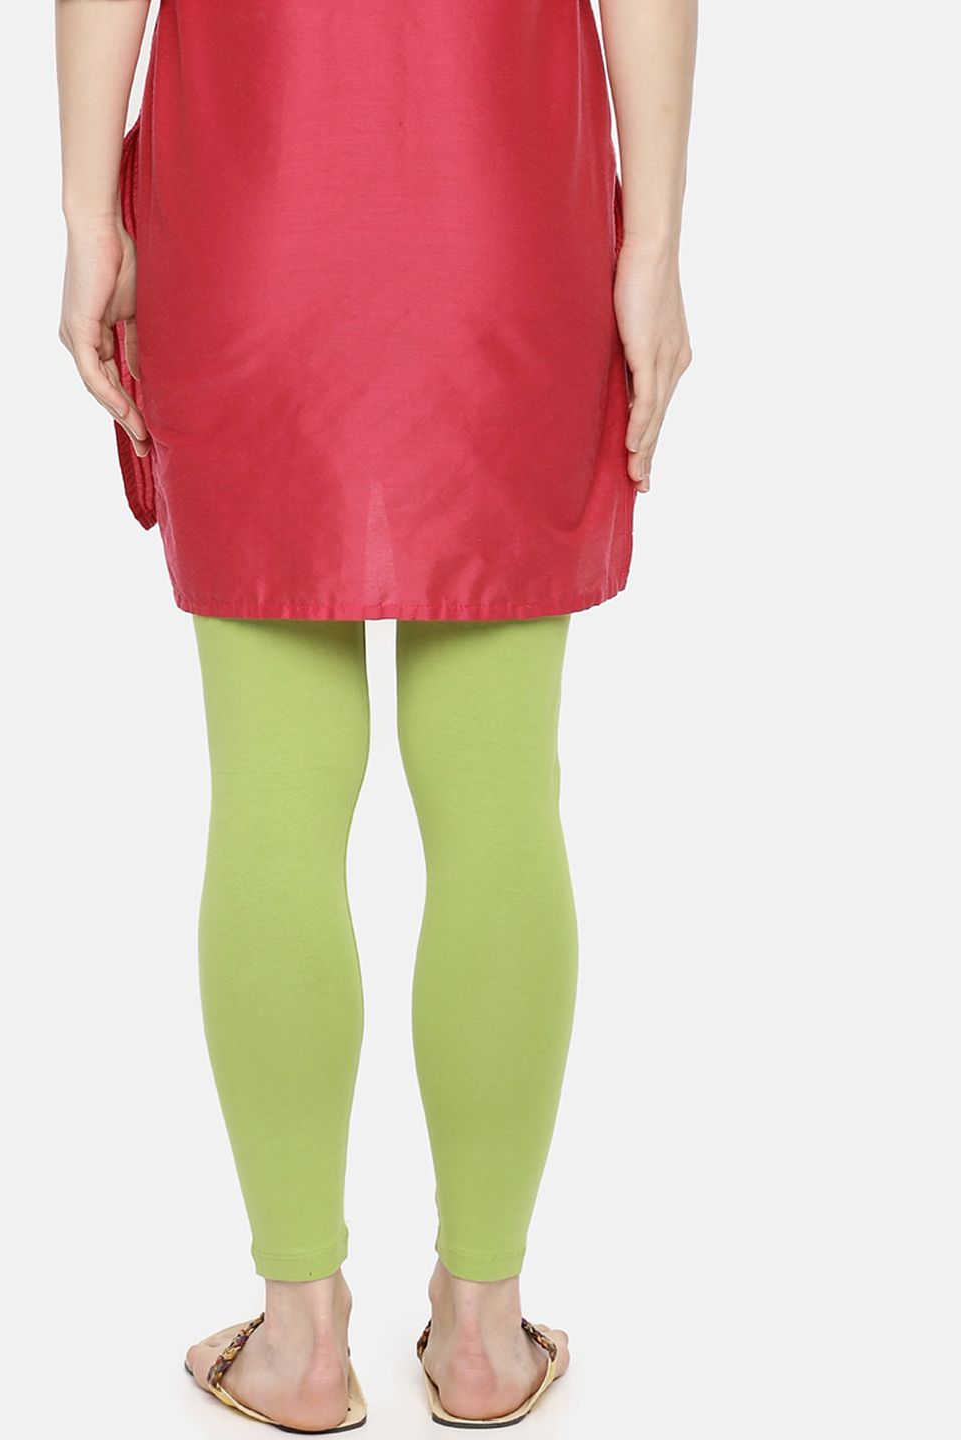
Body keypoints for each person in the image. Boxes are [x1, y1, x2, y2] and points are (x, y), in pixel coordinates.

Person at [56, 0, 695, 1429]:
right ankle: (484, 1334)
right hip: (504, 209)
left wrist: (91, 217)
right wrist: (650, 245)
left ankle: (300, 1337)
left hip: (254, 199)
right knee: (500, 798)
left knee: (272, 803)